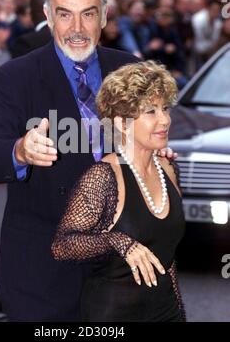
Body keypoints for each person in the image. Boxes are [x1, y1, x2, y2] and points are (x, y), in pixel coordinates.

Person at [0, 0, 175, 322]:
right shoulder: (17, 75)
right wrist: (21, 151)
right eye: (65, 14)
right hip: (44, 267)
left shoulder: (128, 67)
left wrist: (154, 152)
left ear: (103, 16)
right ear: (48, 16)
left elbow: (147, 134)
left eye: (88, 13)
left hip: (120, 266)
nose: (77, 27)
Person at [52, 61, 186, 322]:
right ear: (121, 123)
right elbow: (62, 246)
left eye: (165, 108)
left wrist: (179, 313)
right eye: (150, 111)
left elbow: (166, 256)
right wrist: (117, 241)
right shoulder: (102, 177)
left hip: (166, 313)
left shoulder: (168, 167)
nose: (165, 120)